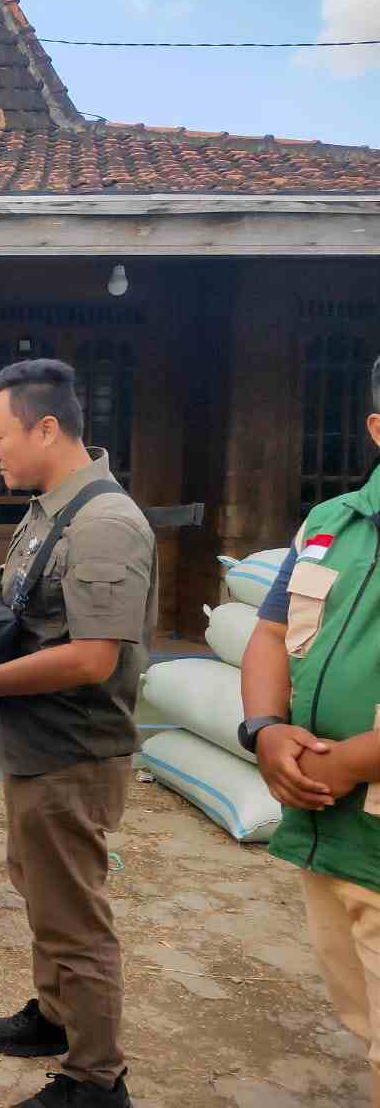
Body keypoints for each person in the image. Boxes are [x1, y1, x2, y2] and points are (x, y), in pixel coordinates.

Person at [0, 358, 154, 1108]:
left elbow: (90, 657)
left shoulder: (105, 522)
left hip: (73, 753)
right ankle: (55, 1014)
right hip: (37, 745)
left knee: (72, 915)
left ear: (45, 428)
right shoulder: (53, 508)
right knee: (41, 890)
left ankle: (94, 1077)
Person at [239, 353, 380, 1108]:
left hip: (354, 803)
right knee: (362, 1021)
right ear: (376, 428)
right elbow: (268, 633)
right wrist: (264, 730)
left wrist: (353, 760)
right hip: (330, 833)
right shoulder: (330, 524)